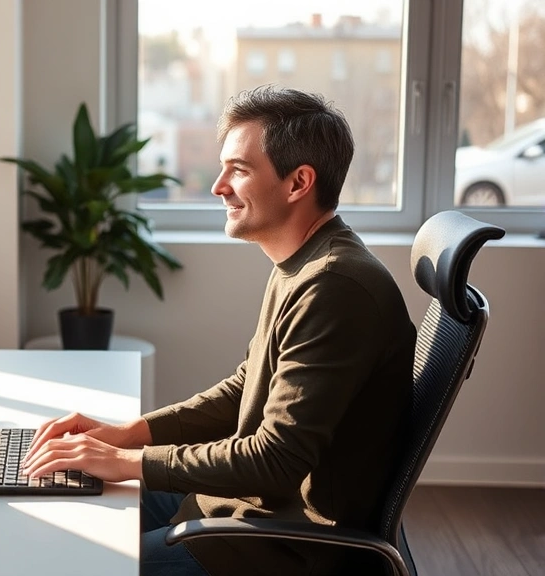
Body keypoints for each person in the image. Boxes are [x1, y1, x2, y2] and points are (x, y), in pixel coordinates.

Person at [22, 85, 417, 576]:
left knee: (67, 561)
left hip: (281, 545)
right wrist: (129, 435)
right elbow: (244, 389)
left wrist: (128, 462)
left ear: (298, 183)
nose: (218, 186)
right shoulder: (305, 265)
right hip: (241, 510)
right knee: (54, 511)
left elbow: (275, 459)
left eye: (240, 169)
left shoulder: (333, 286)